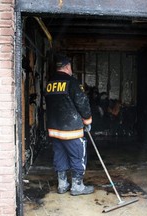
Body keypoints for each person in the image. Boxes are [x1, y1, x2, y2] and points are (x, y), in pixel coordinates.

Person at [45, 53, 94, 196]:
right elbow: (82, 103)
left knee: (59, 154)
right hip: (71, 130)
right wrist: (87, 121)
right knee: (78, 155)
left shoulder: (49, 83)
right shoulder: (72, 82)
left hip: (54, 129)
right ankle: (77, 186)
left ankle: (62, 184)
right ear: (67, 67)